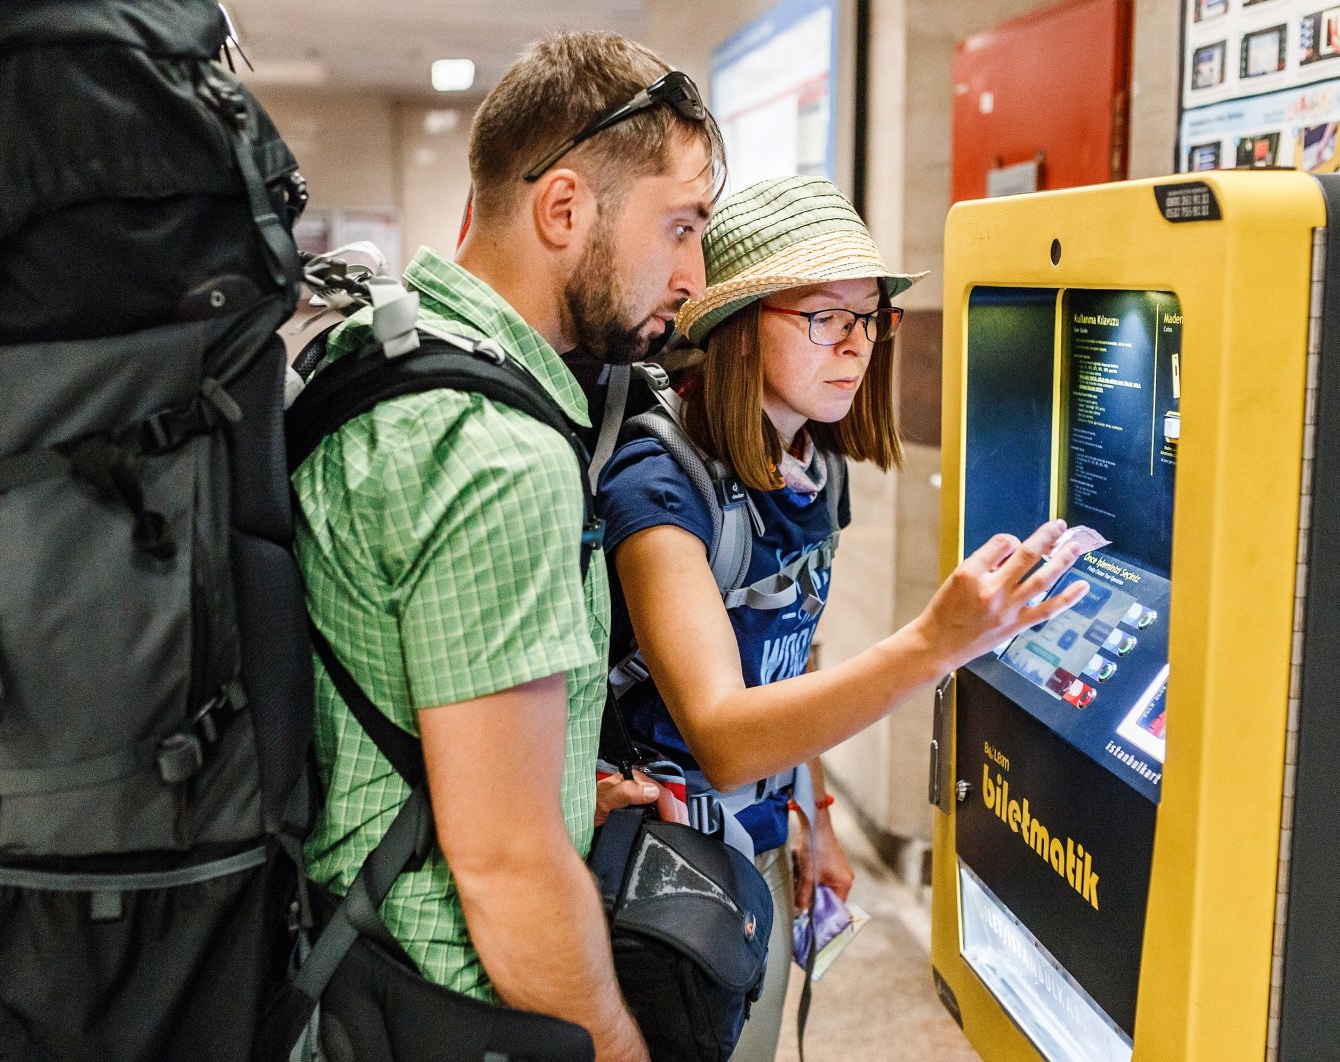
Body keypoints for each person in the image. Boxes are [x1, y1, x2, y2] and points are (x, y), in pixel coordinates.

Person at [292, 32, 723, 1062]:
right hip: (445, 999)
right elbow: (504, 865)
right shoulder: (497, 455)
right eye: (680, 228)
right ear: (564, 207)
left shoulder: (380, 348)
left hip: (345, 953)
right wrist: (616, 1048)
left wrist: (566, 777)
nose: (695, 278)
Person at [595, 175, 1090, 1061]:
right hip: (662, 872)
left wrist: (812, 810)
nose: (855, 347)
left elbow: (790, 663)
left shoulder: (815, 463)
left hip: (762, 838)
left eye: (870, 318)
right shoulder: (659, 486)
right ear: (737, 326)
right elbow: (723, 732)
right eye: (824, 316)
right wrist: (936, 644)